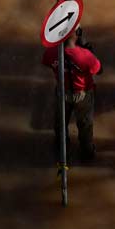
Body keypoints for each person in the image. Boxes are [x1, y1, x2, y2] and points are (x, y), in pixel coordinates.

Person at [44, 29, 100, 163]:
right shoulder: (85, 55)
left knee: (60, 123)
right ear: (75, 35)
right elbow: (99, 69)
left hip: (62, 92)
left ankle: (61, 147)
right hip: (82, 94)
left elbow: (46, 62)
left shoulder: (52, 52)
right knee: (85, 125)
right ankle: (87, 153)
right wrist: (90, 51)